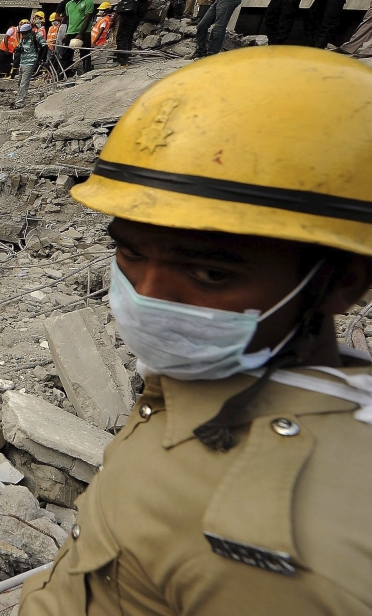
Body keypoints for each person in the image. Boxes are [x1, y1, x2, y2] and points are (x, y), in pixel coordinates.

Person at [20, 46, 372, 614]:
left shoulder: (286, 553)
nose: (149, 296)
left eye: (210, 271)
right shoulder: (205, 384)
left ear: (343, 282)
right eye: (130, 254)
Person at [114, 0, 155, 66]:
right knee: (129, 34)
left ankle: (122, 61)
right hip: (141, 10)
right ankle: (126, 56)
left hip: (130, 10)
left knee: (122, 36)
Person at [60, 0, 96, 74]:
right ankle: (63, 73)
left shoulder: (88, 1)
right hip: (71, 32)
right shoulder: (68, 4)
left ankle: (87, 72)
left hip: (84, 32)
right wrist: (66, 33)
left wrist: (80, 34)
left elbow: (88, 19)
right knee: (66, 54)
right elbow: (69, 20)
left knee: (84, 53)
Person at [12, 22, 47, 109]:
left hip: (30, 62)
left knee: (24, 83)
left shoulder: (36, 36)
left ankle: (19, 103)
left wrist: (40, 60)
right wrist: (18, 49)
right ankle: (18, 99)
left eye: (23, 33)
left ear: (29, 31)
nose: (22, 35)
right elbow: (20, 47)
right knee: (20, 82)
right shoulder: (23, 38)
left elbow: (45, 46)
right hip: (22, 62)